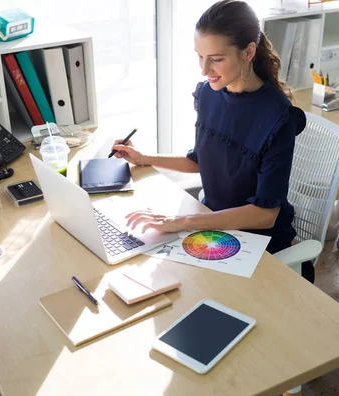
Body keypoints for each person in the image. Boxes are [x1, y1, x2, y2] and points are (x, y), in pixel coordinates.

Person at [112, 0, 310, 276]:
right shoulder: (209, 93)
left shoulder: (278, 117)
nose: (204, 70)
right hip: (211, 227)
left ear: (248, 52)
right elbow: (200, 161)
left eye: (216, 59)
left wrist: (184, 221)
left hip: (259, 244)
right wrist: (143, 158)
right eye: (200, 56)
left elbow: (266, 214)